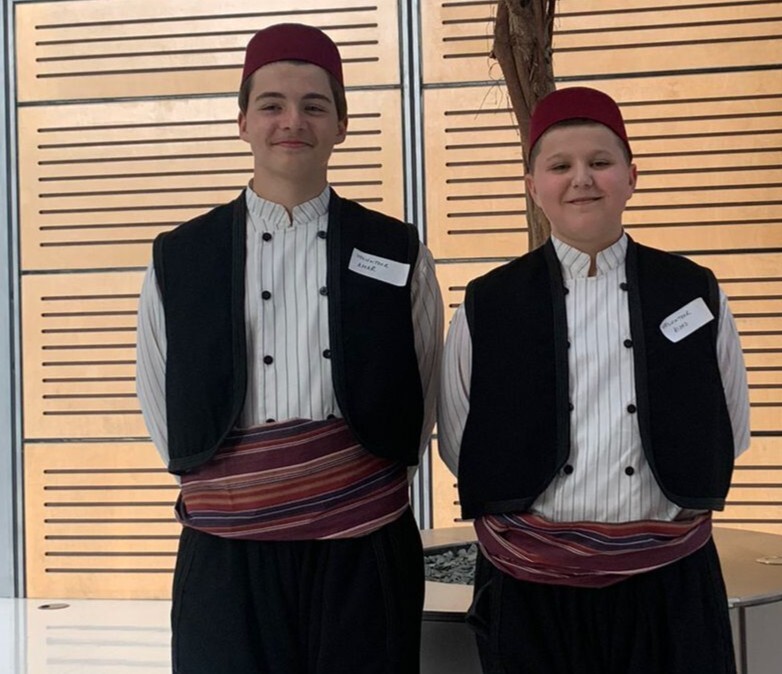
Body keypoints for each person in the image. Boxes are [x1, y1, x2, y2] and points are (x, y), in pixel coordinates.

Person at [136, 23, 443, 674]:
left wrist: (333, 488)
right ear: (242, 121)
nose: (291, 121)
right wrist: (256, 489)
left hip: (364, 546)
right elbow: (160, 392)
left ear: (341, 124)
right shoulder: (180, 255)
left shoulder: (396, 249)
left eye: (314, 105)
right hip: (225, 556)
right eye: (271, 104)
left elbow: (422, 384)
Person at [438, 86, 750, 673]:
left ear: (632, 177)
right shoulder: (490, 301)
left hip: (668, 578)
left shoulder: (692, 289)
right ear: (534, 187)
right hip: (529, 582)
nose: (582, 178)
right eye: (560, 166)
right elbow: (460, 435)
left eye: (600, 163)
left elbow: (728, 419)